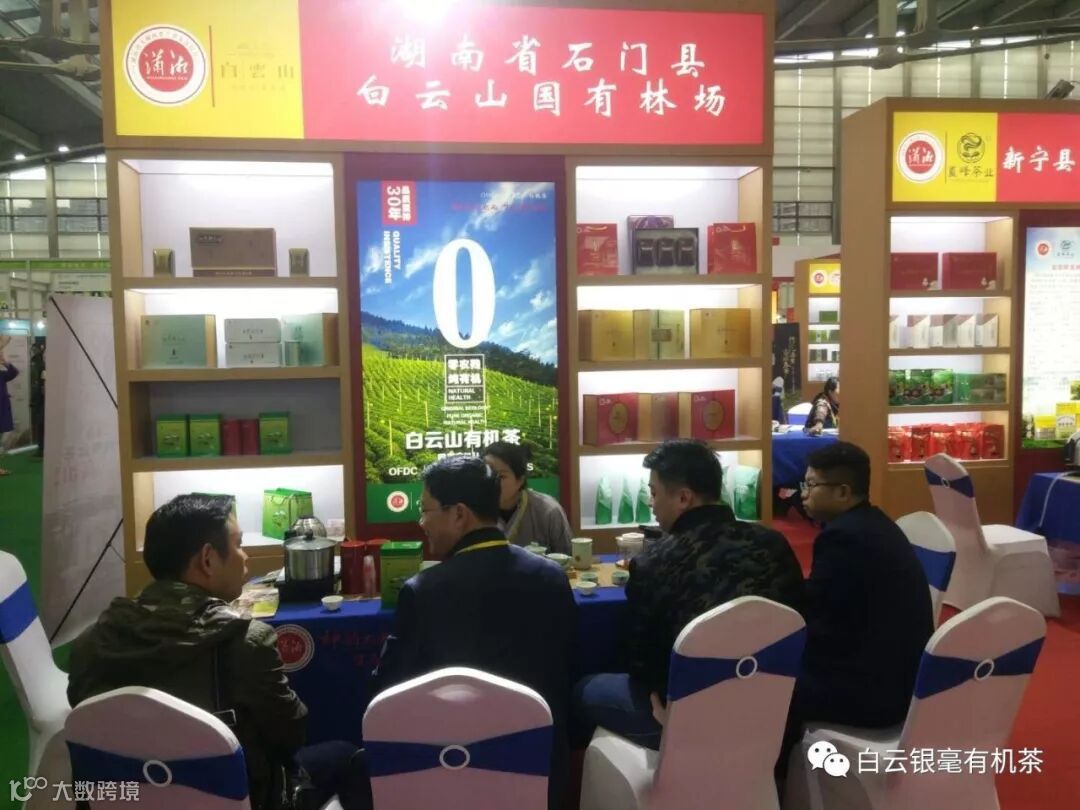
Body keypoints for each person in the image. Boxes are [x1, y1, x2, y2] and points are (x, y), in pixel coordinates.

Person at [67, 494, 366, 810]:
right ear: (207, 560)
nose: (245, 556)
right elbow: (290, 736)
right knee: (347, 756)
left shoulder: (90, 643)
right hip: (244, 799)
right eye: (238, 545)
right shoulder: (246, 643)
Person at [372, 456, 577, 810]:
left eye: (425, 510)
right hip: (541, 762)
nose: (421, 522)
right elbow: (568, 667)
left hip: (450, 764)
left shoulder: (424, 591)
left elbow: (391, 691)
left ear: (459, 514)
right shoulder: (550, 576)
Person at [573, 439, 804, 750]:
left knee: (585, 688)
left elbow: (641, 663)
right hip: (774, 712)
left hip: (689, 720)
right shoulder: (773, 543)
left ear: (683, 498)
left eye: (654, 493)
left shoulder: (655, 561)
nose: (650, 503)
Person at [787, 442, 933, 761]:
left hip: (871, 691)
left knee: (764, 680)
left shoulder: (844, 539)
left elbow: (818, 619)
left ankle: (777, 774)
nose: (803, 494)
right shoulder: (871, 524)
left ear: (843, 492)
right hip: (899, 675)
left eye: (811, 485)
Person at [482, 440, 572, 554]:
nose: (491, 481)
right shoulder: (473, 511)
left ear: (520, 480)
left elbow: (567, 558)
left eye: (501, 476)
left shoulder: (548, 511)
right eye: (487, 473)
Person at [0, 349, 18, 476]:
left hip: (2, 408)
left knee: (3, 432)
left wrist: (5, 362)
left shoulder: (1, 375)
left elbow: (14, 372)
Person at [29, 341, 44, 457]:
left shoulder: (42, 363)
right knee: (39, 424)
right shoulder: (33, 362)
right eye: (33, 349)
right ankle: (40, 448)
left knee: (42, 424)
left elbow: (42, 382)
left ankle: (42, 449)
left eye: (36, 349)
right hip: (36, 397)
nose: (34, 351)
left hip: (42, 398)